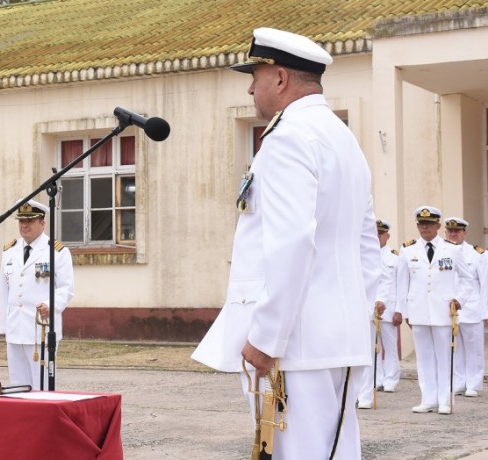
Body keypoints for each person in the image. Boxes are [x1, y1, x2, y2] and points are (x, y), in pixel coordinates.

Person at [191, 27, 380, 459]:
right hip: (337, 339)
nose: (250, 88)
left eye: (255, 76)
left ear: (279, 78)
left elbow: (291, 242)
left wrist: (267, 337)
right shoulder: (343, 139)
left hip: (294, 345)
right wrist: (352, 316)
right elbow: (366, 250)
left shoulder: (287, 138)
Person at [397, 206, 472, 414]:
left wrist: (460, 300)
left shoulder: (452, 249)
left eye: (429, 224)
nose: (425, 228)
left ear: (438, 226)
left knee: (444, 356)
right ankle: (428, 399)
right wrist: (404, 312)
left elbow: (467, 279)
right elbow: (401, 284)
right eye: (421, 224)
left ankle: (445, 400)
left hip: (444, 311)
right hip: (418, 310)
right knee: (424, 357)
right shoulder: (408, 249)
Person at [0, 199, 74, 388]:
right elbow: (5, 291)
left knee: (42, 385)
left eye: (30, 220)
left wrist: (51, 305)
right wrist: (5, 326)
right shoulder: (9, 251)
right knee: (17, 386)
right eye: (21, 221)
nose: (24, 225)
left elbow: (66, 288)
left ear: (42, 223)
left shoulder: (57, 251)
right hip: (15, 327)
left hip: (41, 328)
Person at [357, 219, 402, 409]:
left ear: (387, 236)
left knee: (386, 347)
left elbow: (393, 284)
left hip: (384, 308)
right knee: (365, 352)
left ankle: (388, 380)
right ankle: (372, 382)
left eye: (380, 234)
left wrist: (393, 306)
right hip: (362, 309)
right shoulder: (358, 252)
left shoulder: (392, 257)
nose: (376, 237)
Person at [443, 217, 485, 397]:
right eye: (450, 231)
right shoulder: (441, 251)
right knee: (454, 349)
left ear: (464, 233)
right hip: (448, 310)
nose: (453, 234)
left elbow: (485, 285)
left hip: (472, 309)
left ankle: (473, 384)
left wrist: (485, 312)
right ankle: (459, 382)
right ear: (445, 232)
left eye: (457, 231)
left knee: (473, 349)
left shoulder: (478, 254)